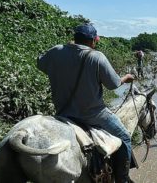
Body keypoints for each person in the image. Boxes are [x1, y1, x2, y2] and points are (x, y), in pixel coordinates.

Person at [37, 24, 135, 183]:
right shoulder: (97, 56)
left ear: (75, 38)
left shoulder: (56, 51)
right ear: (92, 41)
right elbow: (113, 84)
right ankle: (122, 179)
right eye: (95, 41)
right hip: (94, 115)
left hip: (62, 112)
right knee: (125, 138)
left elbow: (40, 64)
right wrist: (126, 78)